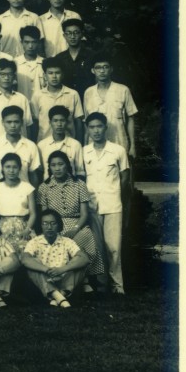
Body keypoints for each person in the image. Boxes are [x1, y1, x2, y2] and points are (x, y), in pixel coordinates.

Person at [38, 150, 105, 287]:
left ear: (67, 165)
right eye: (53, 165)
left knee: (84, 238)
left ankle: (86, 278)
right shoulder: (44, 187)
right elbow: (45, 215)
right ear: (49, 168)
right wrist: (52, 227)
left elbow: (84, 214)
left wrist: (75, 229)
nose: (57, 168)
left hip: (77, 223)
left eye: (60, 164)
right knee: (60, 242)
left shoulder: (79, 184)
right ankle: (66, 279)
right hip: (54, 225)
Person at [82, 112, 131, 294]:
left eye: (99, 126)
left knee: (114, 247)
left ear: (105, 127)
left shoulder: (118, 150)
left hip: (112, 204)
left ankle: (117, 286)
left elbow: (125, 177)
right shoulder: (84, 152)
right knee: (96, 247)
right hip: (92, 206)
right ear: (88, 129)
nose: (96, 131)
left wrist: (117, 194)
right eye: (92, 127)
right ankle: (101, 286)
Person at [22, 210, 90, 308]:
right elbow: (25, 260)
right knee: (32, 266)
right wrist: (46, 269)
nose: (49, 227)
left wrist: (62, 269)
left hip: (64, 279)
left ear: (59, 225)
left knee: (80, 264)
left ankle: (58, 296)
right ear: (40, 225)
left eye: (53, 223)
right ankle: (59, 296)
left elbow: (84, 259)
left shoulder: (67, 241)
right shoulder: (34, 242)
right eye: (45, 223)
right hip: (44, 281)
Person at [82, 56, 138, 157]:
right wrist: (85, 146)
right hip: (94, 146)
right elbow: (86, 122)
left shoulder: (123, 90)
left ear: (111, 69)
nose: (102, 71)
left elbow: (131, 118)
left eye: (105, 67)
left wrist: (133, 146)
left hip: (119, 142)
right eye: (98, 68)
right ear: (93, 70)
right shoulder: (88, 92)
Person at [0, 152, 38, 248]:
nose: (11, 170)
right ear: (2, 168)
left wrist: (27, 229)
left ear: (19, 169)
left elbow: (33, 214)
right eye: (7, 167)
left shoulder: (27, 187)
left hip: (23, 227)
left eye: (14, 167)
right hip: (1, 228)